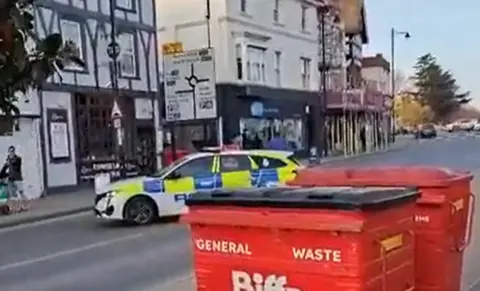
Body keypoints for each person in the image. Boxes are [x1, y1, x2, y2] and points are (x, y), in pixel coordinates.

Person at [0, 146, 28, 212]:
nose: (11, 153)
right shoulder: (8, 160)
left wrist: (10, 162)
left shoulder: (18, 159)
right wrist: (1, 174)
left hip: (18, 178)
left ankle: (25, 206)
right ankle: (16, 208)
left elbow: (17, 166)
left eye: (12, 151)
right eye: (10, 151)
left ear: (14, 152)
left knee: (21, 192)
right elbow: (4, 168)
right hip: (11, 179)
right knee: (12, 194)